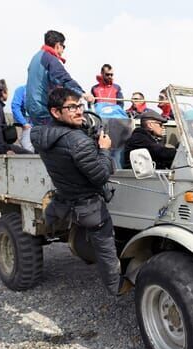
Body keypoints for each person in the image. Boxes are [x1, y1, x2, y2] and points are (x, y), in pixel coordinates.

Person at [30, 88, 121, 295]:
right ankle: (116, 287)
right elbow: (101, 176)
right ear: (55, 112)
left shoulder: (39, 135)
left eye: (80, 105)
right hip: (89, 208)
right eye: (72, 107)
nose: (79, 111)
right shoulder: (78, 142)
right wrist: (104, 149)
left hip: (65, 200)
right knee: (106, 248)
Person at [26, 30, 94, 126]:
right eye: (63, 46)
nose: (63, 50)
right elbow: (64, 79)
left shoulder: (36, 57)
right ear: (58, 45)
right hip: (43, 109)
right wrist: (83, 94)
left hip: (32, 109)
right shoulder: (50, 58)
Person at [11, 85, 35, 152]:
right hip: (23, 126)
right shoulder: (21, 90)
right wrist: (24, 123)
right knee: (25, 148)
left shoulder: (41, 91)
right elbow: (15, 107)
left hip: (36, 126)